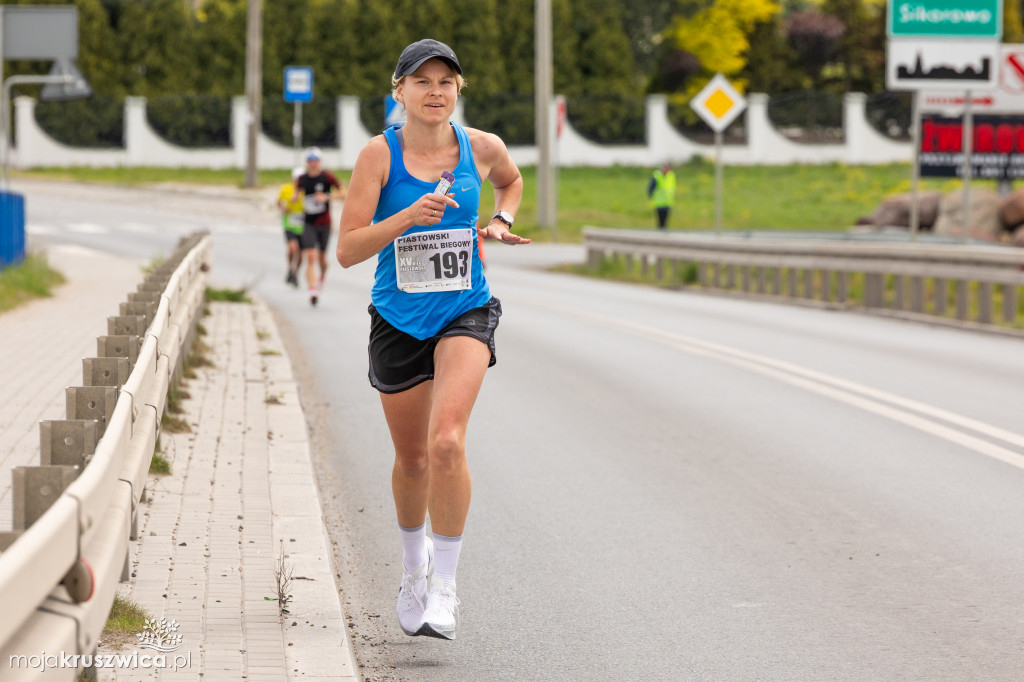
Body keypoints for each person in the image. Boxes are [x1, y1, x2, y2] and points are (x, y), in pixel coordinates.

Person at [336, 38, 529, 641]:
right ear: (399, 92)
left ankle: (445, 587)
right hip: (397, 318)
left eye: (446, 81)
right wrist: (405, 217)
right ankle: (412, 568)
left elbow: (512, 180)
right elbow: (346, 251)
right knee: (414, 458)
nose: (435, 91)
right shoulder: (378, 156)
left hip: (464, 311)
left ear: (458, 90)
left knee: (447, 442)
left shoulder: (480, 147)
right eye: (422, 81)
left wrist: (500, 220)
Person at [293, 146, 345, 306]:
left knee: (322, 258)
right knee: (310, 256)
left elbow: (343, 193)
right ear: (306, 162)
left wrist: (327, 197)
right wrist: (295, 198)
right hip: (308, 222)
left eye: (315, 160)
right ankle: (312, 290)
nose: (313, 163)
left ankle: (322, 274)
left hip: (325, 223)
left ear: (320, 161)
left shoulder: (327, 177)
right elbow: (296, 193)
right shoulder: (302, 179)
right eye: (310, 160)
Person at [278, 166, 306, 286]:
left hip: (303, 225)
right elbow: (278, 202)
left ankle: (295, 273)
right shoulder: (286, 189)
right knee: (292, 248)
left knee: (300, 254)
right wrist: (283, 208)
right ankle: (290, 268)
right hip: (289, 223)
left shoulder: (307, 189)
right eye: (296, 178)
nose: (298, 181)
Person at [648, 162, 676, 229]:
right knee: (660, 218)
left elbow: (672, 187)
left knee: (666, 218)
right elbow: (651, 187)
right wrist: (651, 195)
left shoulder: (671, 175)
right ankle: (660, 230)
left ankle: (664, 230)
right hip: (659, 200)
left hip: (668, 200)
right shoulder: (657, 175)